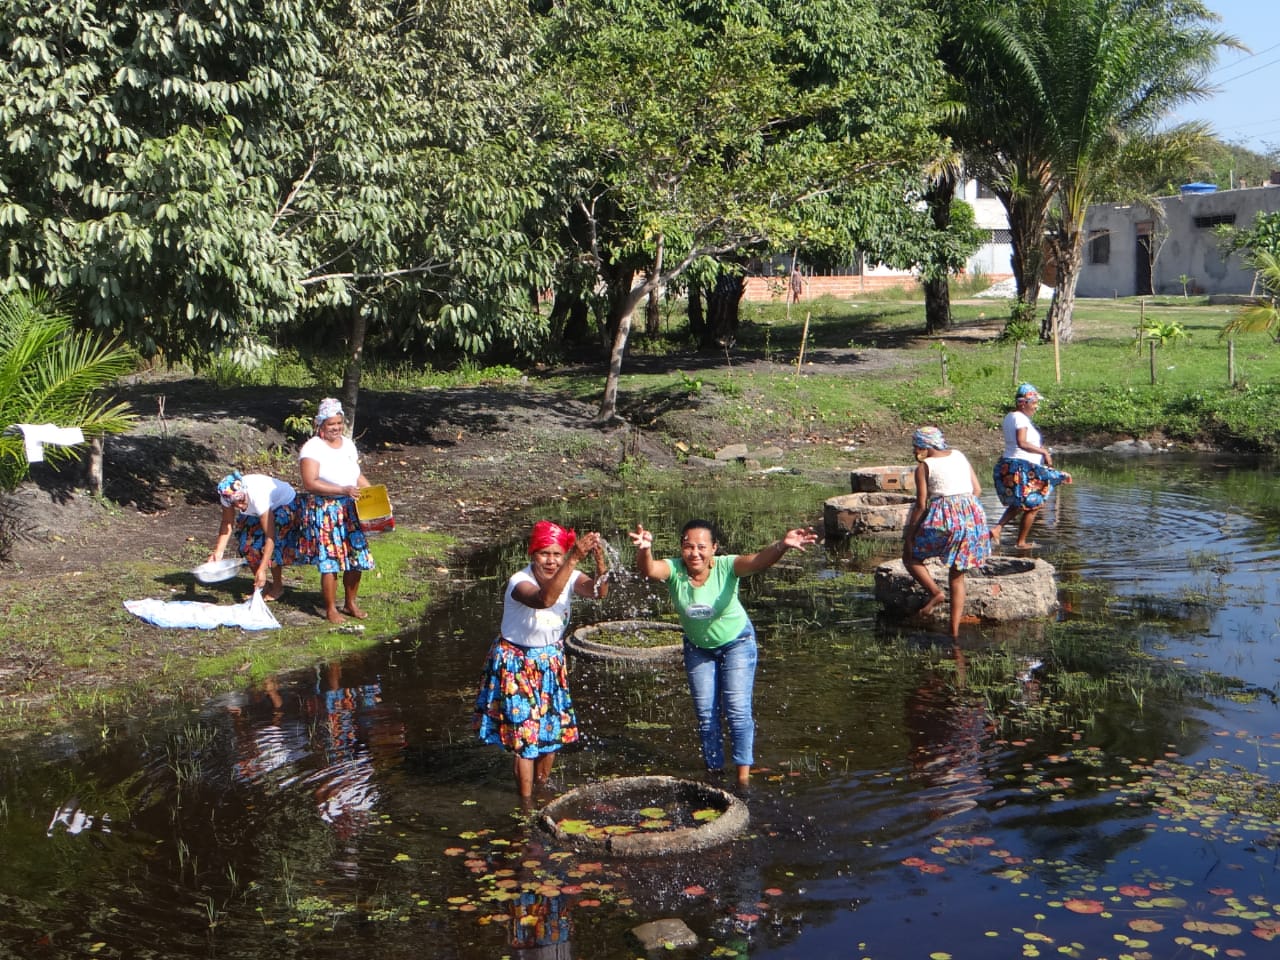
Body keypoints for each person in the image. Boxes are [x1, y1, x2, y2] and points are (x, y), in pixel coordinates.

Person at [629, 519, 818, 788]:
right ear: (681, 548)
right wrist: (645, 549)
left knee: (737, 710)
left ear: (714, 548)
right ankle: (714, 774)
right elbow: (648, 569)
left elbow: (757, 561)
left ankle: (743, 780)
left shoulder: (728, 566)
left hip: (737, 642)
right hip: (698, 647)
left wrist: (782, 545)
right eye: (688, 546)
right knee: (706, 714)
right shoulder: (674, 569)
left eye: (702, 547)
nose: (694, 553)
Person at [474, 521, 609, 799]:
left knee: (551, 732)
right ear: (531, 554)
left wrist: (598, 560)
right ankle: (525, 806)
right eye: (544, 554)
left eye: (557, 554)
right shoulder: (519, 582)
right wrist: (573, 558)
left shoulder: (569, 575)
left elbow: (598, 591)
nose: (551, 561)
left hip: (550, 663)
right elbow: (546, 599)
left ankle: (543, 790)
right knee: (526, 737)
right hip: (516, 664)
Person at [902, 426, 991, 638]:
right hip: (973, 517)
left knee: (911, 557)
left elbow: (921, 505)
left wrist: (909, 535)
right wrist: (965, 510)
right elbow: (977, 490)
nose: (915, 451)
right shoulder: (959, 455)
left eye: (916, 446)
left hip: (946, 518)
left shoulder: (924, 467)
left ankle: (935, 593)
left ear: (922, 446)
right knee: (957, 576)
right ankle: (954, 632)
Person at [297, 398, 375, 623]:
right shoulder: (313, 447)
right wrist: (341, 489)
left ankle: (350, 603)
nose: (336, 428)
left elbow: (356, 474)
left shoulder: (348, 444)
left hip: (351, 506)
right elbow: (310, 482)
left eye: (339, 423)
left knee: (356, 556)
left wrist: (373, 494)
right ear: (320, 425)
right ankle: (330, 609)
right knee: (329, 559)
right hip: (326, 508)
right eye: (331, 424)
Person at [991, 383, 1072, 549]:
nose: (1036, 406)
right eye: (1034, 402)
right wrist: (1044, 452)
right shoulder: (1020, 418)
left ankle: (997, 529)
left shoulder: (1010, 417)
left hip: (1013, 465)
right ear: (1023, 403)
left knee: (1020, 502)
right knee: (1034, 504)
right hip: (1023, 468)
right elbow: (1022, 442)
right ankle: (1021, 543)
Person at [208, 471, 303, 600]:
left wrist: (263, 568)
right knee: (246, 544)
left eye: (241, 500)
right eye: (235, 504)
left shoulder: (258, 496)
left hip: (284, 504)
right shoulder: (226, 495)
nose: (240, 506)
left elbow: (271, 537)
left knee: (267, 545)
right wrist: (218, 552)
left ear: (244, 492)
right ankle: (263, 585)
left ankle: (277, 586)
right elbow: (227, 523)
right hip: (257, 510)